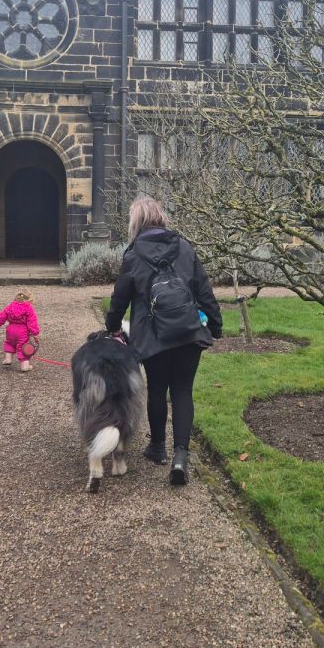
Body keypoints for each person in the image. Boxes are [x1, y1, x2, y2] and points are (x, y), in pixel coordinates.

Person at [105, 196, 222, 486]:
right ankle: (180, 455)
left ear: (136, 222)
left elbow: (119, 297)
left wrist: (112, 326)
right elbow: (203, 291)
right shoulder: (184, 247)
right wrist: (215, 325)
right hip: (188, 331)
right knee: (183, 390)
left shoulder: (133, 254)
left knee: (157, 389)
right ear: (160, 217)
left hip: (152, 336)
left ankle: (157, 448)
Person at [0, 290, 41, 373]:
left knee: (9, 343)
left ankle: (8, 359)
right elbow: (32, 321)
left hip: (10, 330)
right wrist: (35, 332)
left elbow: (1, 316)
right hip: (22, 331)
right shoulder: (28, 308)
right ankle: (25, 366)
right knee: (22, 347)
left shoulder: (11, 306)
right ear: (30, 300)